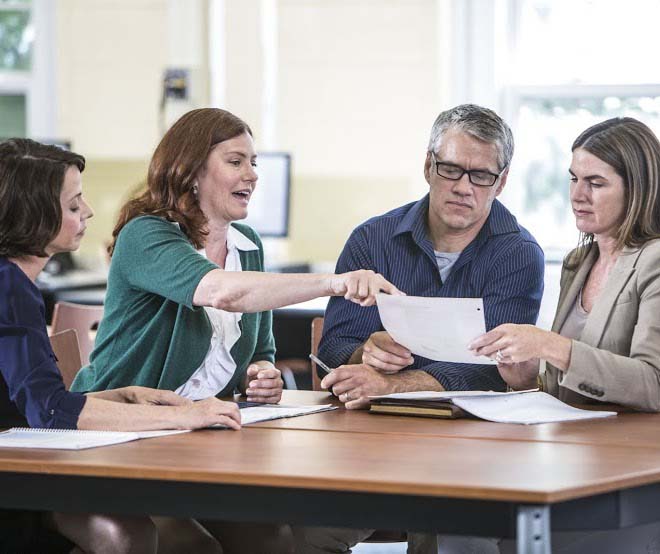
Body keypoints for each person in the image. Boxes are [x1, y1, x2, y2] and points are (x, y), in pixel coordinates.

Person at [69, 107, 399, 553]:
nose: (252, 174)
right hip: (127, 435)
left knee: (272, 540)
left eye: (254, 162)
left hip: (198, 439)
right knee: (194, 548)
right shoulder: (146, 235)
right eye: (235, 161)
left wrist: (260, 372)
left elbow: (261, 345)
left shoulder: (248, 244)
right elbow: (221, 292)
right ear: (191, 171)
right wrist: (334, 283)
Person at [294, 104, 544, 554]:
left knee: (457, 542)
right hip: (372, 443)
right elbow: (333, 346)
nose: (463, 187)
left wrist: (390, 385)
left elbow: (493, 371)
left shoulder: (519, 254)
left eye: (481, 175)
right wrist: (364, 353)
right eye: (450, 169)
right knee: (302, 535)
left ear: (501, 182)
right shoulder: (371, 240)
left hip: (471, 448)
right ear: (428, 165)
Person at [0, 138, 242, 553]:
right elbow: (51, 410)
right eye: (74, 205)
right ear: (33, 215)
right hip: (15, 487)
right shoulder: (9, 287)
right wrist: (186, 418)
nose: (88, 212)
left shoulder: (16, 282)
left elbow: (24, 398)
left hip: (21, 464)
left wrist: (118, 396)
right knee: (131, 533)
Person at [468, 117, 660, 553]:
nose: (576, 195)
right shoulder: (579, 261)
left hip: (628, 476)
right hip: (568, 460)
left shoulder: (654, 261)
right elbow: (566, 383)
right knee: (463, 521)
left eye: (596, 182)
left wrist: (552, 345)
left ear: (639, 188)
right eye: (573, 179)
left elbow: (653, 384)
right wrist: (524, 374)